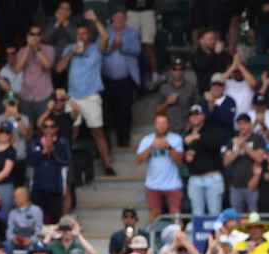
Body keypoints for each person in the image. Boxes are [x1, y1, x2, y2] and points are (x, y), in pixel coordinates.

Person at [54, 10, 116, 176]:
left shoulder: (96, 49)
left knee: (98, 132)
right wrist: (72, 52)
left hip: (91, 96)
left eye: (84, 34)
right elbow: (59, 68)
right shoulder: (69, 48)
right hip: (72, 97)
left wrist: (96, 20)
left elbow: (106, 38)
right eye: (78, 34)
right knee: (71, 131)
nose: (81, 36)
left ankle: (108, 165)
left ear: (89, 35)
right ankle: (67, 164)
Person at [101, 8, 142, 149]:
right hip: (107, 79)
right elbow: (100, 50)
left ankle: (123, 141)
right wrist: (110, 47)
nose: (119, 20)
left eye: (121, 17)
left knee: (124, 110)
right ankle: (108, 144)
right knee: (107, 110)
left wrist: (122, 46)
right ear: (112, 18)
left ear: (125, 19)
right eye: (116, 17)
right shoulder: (105, 31)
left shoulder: (132, 32)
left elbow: (137, 50)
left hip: (125, 79)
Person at [136, 114, 184, 222]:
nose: (161, 126)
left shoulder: (176, 139)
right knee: (154, 214)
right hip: (153, 184)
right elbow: (138, 160)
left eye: (164, 124)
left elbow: (180, 160)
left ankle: (179, 237)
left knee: (176, 214)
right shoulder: (147, 140)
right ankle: (152, 238)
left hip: (173, 184)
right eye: (159, 124)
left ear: (168, 125)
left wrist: (169, 147)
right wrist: (151, 147)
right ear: (155, 125)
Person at [27, 115, 71, 224]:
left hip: (55, 186)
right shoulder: (35, 143)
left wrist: (53, 151)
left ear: (56, 128)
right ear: (42, 129)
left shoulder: (62, 142)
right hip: (38, 186)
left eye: (52, 127)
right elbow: (29, 161)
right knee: (37, 218)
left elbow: (66, 160)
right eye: (46, 127)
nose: (49, 129)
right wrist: (42, 152)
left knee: (56, 217)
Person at [224, 113, 266, 213]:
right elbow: (226, 161)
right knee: (236, 217)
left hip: (252, 185)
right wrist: (238, 149)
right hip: (236, 185)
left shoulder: (257, 139)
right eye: (240, 124)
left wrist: (244, 146)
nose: (242, 126)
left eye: (245, 123)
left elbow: (259, 158)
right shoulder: (233, 141)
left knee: (253, 215)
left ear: (250, 125)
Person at [157, 58, 198, 136]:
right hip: (168, 130)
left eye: (181, 69)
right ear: (171, 70)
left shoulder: (191, 88)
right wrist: (167, 102)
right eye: (175, 69)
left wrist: (190, 126)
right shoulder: (164, 88)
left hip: (186, 130)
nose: (178, 72)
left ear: (184, 70)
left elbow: (197, 109)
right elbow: (158, 111)